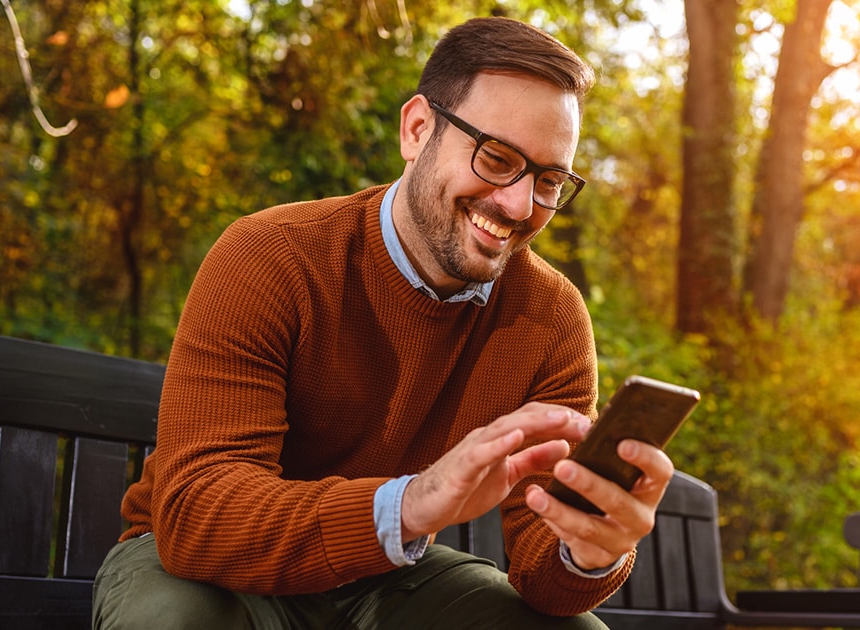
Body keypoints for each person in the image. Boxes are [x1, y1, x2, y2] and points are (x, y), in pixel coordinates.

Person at [92, 16, 676, 630]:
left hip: (385, 578)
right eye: (497, 158)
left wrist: (586, 553)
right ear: (418, 129)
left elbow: (543, 572)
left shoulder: (551, 319)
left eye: (549, 180)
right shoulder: (269, 256)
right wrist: (412, 503)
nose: (519, 204)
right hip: (203, 572)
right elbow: (199, 515)